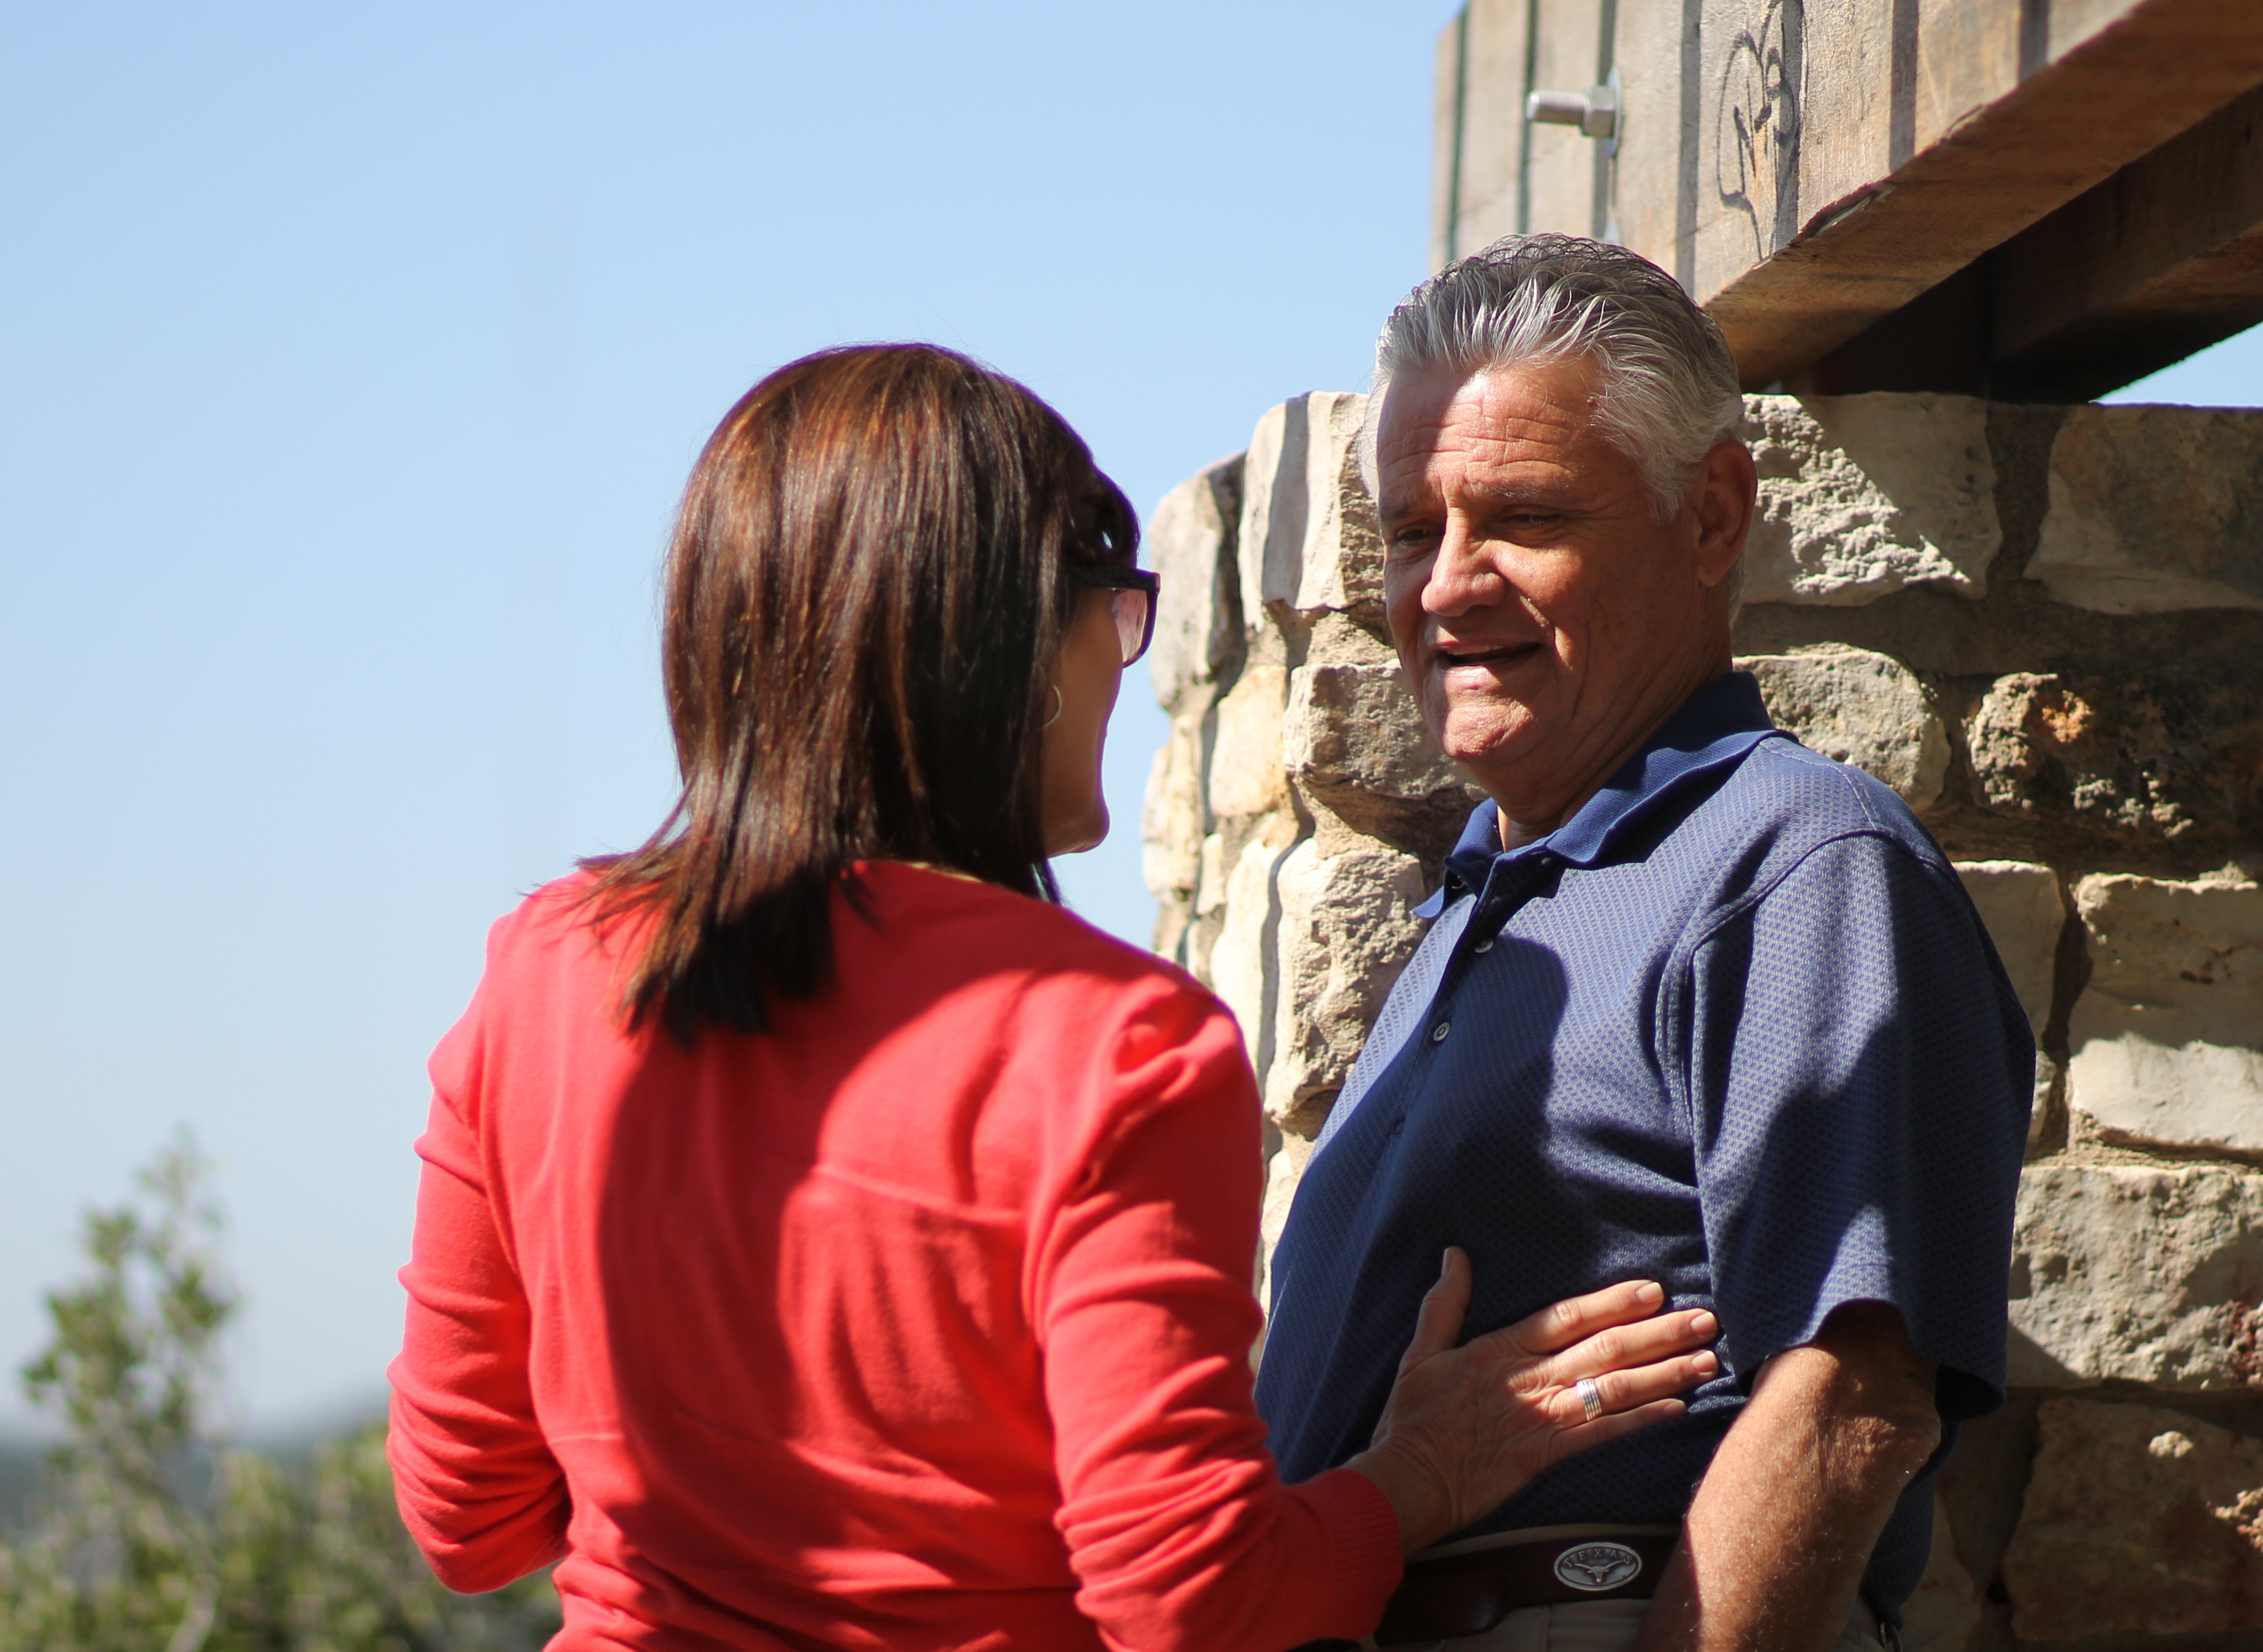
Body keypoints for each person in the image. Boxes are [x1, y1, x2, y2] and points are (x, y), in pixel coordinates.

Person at [385, 343, 1721, 1652]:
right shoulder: (1113, 1046)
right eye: (1116, 610)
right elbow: (1189, 1603)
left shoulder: (543, 972)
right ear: (1015, 636)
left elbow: (467, 1516)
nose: (1119, 668)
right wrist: (1422, 1474)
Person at [1255, 236, 2034, 1652]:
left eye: (1522, 516)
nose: (1445, 586)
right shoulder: (1479, 902)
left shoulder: (1797, 860)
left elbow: (1852, 1395)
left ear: (1711, 512)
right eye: (1411, 532)